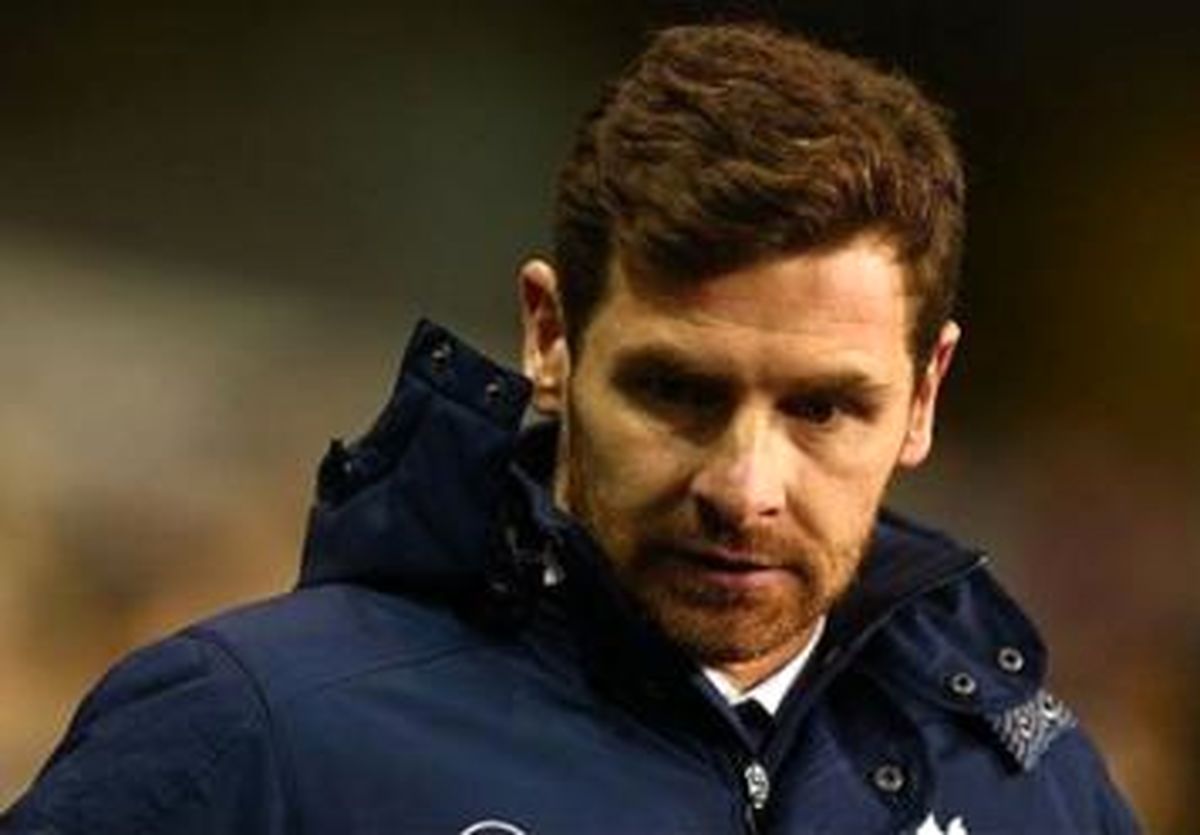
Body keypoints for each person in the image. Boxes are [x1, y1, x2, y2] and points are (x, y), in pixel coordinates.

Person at [1, 22, 1138, 835]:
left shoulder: (1027, 781)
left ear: (926, 395)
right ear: (550, 337)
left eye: (824, 407)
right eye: (678, 391)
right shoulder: (254, 736)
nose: (745, 486)